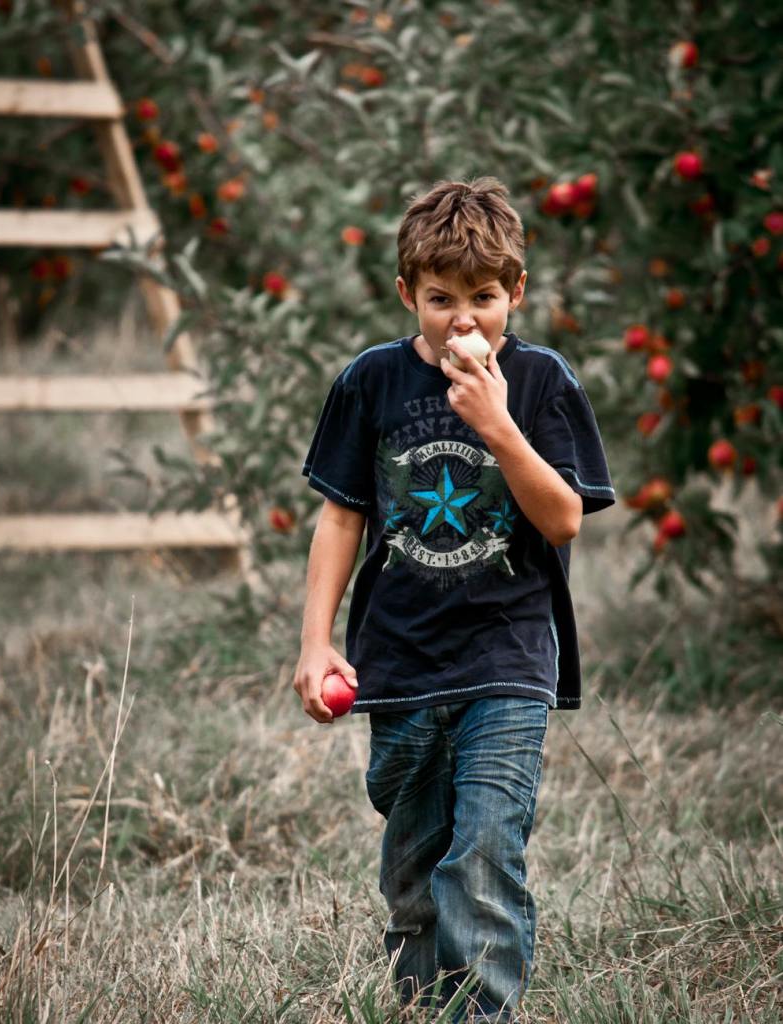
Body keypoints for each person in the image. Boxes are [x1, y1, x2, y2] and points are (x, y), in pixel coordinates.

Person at [293, 177, 615, 1021]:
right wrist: (316, 643)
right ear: (407, 294)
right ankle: (422, 1007)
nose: (462, 320)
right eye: (439, 300)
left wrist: (498, 425)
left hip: (508, 661)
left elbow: (565, 519)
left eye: (483, 297)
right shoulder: (372, 382)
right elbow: (340, 518)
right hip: (399, 664)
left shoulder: (541, 382)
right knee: (413, 876)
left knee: (481, 858)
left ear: (517, 292)